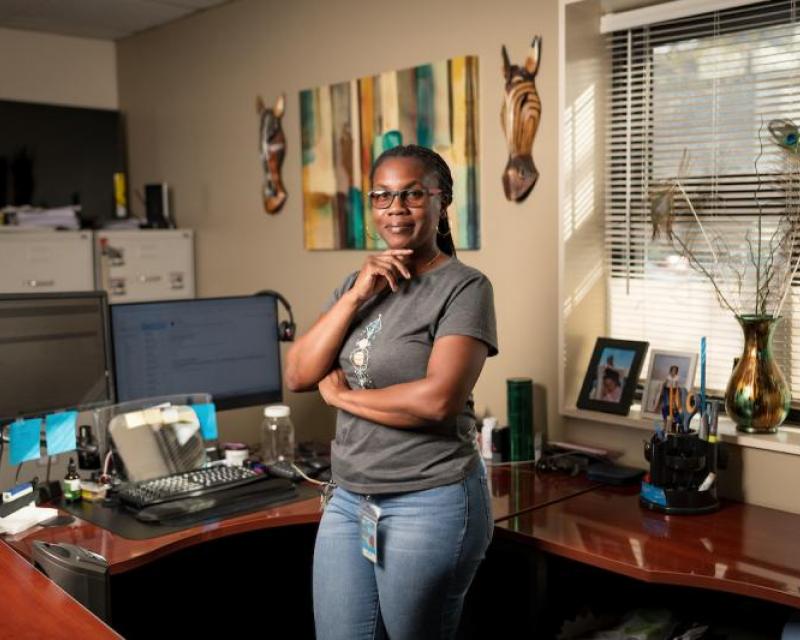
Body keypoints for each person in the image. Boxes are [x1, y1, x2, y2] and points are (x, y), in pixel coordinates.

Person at [284, 144, 498, 640]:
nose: (395, 208)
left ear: (441, 201)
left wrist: (341, 398)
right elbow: (298, 372)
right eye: (383, 196)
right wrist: (358, 293)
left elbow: (437, 402)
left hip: (430, 498)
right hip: (349, 497)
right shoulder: (356, 285)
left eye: (412, 194)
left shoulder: (464, 288)